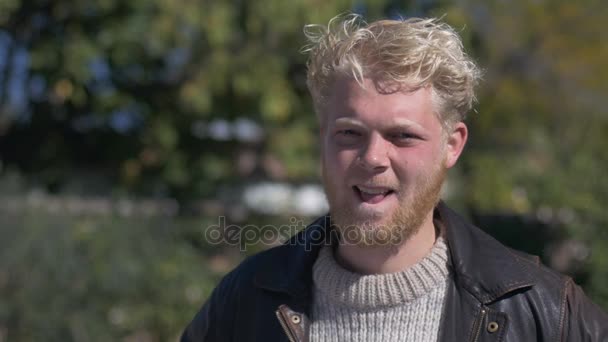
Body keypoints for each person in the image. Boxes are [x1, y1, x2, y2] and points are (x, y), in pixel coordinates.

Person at [181, 14, 608, 341]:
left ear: (452, 145)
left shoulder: (545, 313)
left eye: (402, 136)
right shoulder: (246, 303)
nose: (372, 157)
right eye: (349, 133)